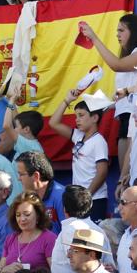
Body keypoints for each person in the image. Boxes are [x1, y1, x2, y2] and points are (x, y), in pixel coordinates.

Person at [79, 12, 137, 165]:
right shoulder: (132, 54)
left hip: (135, 116)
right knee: (125, 171)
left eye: (121, 30)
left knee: (130, 169)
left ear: (134, 31)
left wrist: (94, 38)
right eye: (117, 31)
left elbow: (117, 65)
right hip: (125, 116)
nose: (117, 35)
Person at [46, 90, 110, 219]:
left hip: (94, 199)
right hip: (80, 199)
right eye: (76, 116)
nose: (77, 120)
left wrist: (87, 195)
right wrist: (67, 100)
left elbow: (102, 172)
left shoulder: (98, 141)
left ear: (95, 118)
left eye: (81, 115)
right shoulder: (78, 136)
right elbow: (53, 123)